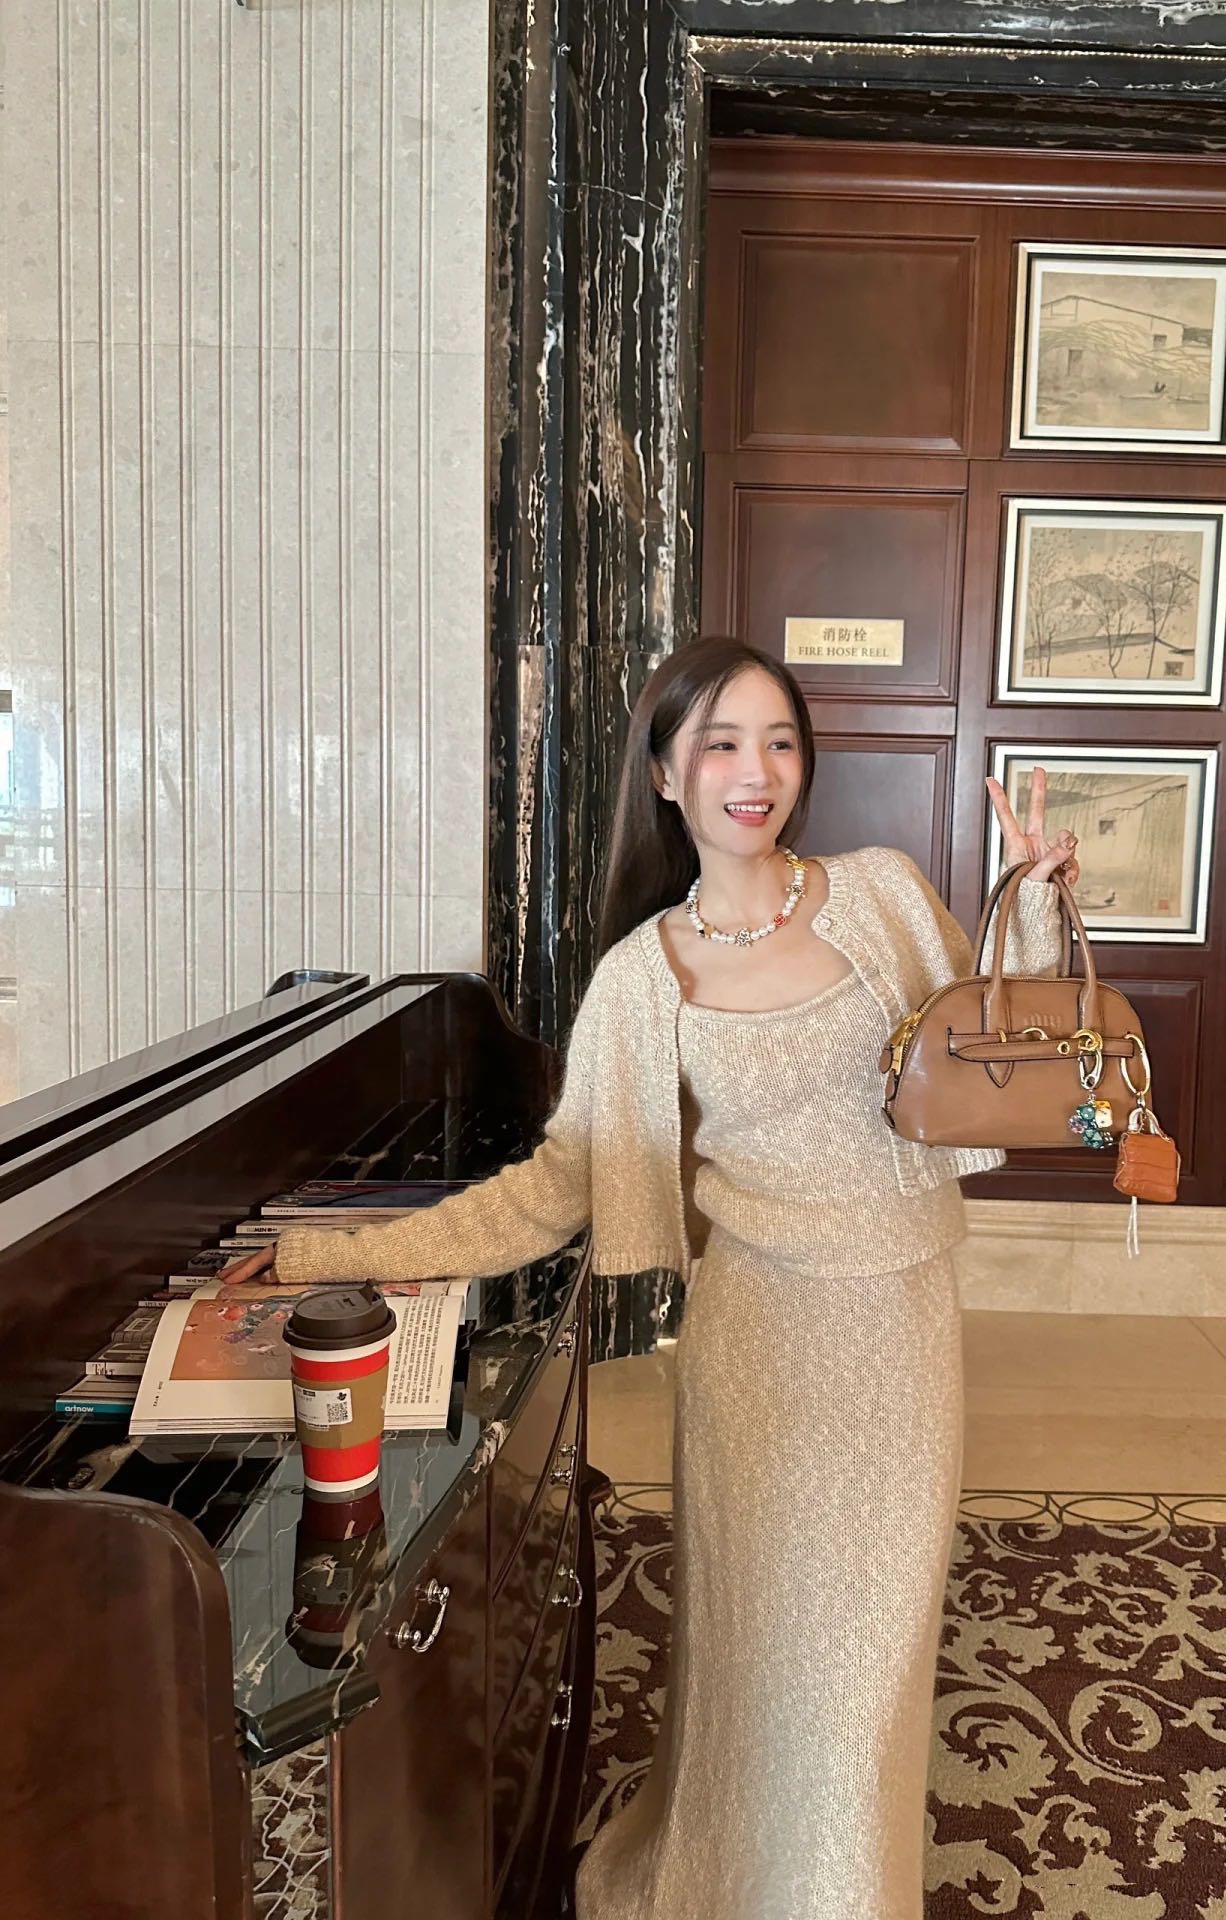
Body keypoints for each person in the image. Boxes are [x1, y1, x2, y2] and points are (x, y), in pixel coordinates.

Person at [223, 636, 1079, 1920]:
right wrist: (331, 1252)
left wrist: (1037, 902)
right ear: (668, 775)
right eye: (721, 744)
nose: (755, 771)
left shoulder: (884, 893)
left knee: (872, 1668)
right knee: (765, 1658)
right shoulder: (643, 978)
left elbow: (993, 1037)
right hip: (763, 1348)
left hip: (903, 1334)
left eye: (779, 742)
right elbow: (556, 1186)